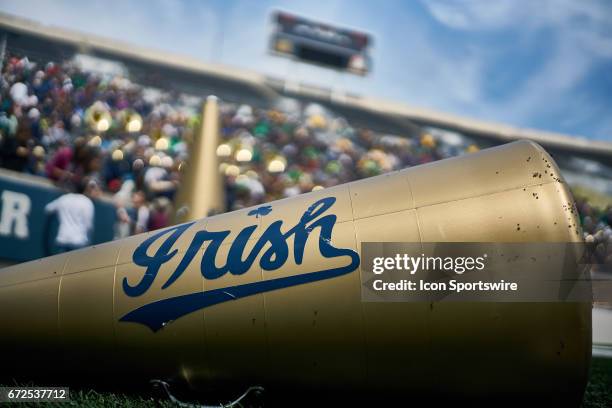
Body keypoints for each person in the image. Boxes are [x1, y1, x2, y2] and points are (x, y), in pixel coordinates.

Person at [44, 179, 100, 252]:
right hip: (79, 242)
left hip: (63, 239)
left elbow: (48, 209)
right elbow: (88, 225)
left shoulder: (64, 198)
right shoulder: (87, 202)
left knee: (61, 263)